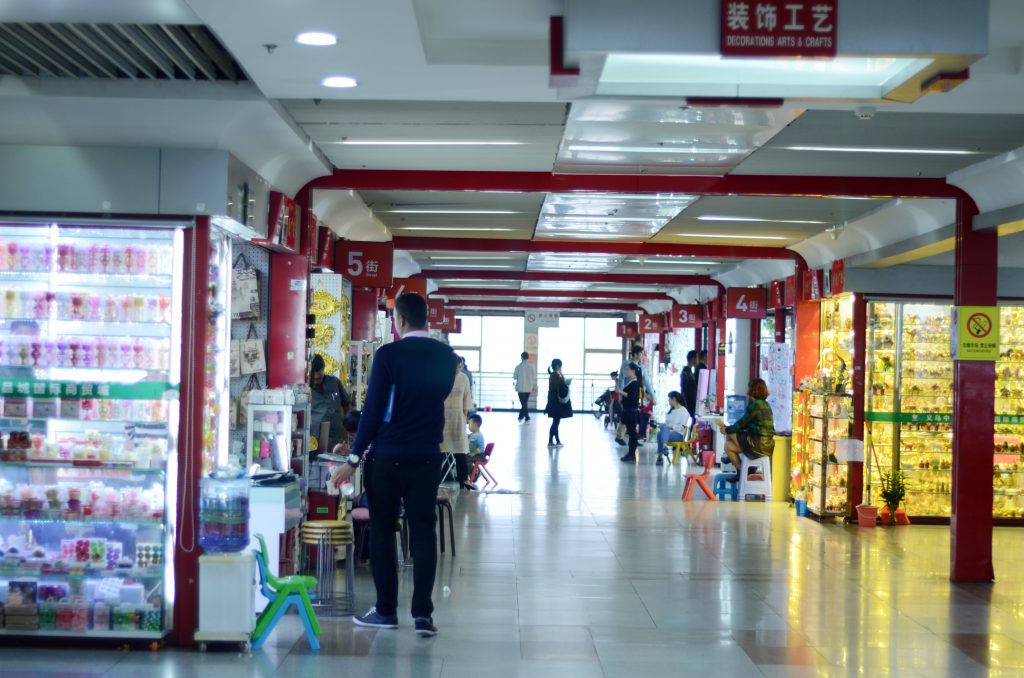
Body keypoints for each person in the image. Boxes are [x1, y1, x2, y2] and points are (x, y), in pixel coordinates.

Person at [329, 292, 457, 637]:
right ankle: (422, 615)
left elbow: (372, 411)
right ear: (425, 318)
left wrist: (354, 458)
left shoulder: (388, 355)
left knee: (384, 531)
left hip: (387, 457)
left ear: (399, 321)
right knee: (424, 532)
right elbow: (438, 397)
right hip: (427, 456)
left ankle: (386, 611)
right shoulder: (447, 357)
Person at [716, 378, 776, 475]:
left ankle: (737, 468)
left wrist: (726, 429)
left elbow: (741, 424)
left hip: (757, 443)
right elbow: (745, 425)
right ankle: (740, 472)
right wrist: (729, 428)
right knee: (728, 446)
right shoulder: (766, 405)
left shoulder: (755, 405)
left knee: (730, 432)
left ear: (752, 390)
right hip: (767, 446)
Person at [443, 356, 475, 491]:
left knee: (460, 450)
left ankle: (464, 479)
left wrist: (465, 416)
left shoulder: (463, 378)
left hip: (458, 416)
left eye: (460, 367)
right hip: (443, 417)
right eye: (456, 367)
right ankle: (433, 478)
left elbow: (467, 397)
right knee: (440, 449)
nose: (458, 369)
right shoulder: (442, 376)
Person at [309, 354, 351, 456]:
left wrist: (346, 427)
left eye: (319, 378)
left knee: (336, 468)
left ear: (323, 369)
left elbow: (346, 405)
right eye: (313, 379)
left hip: (336, 436)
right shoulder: (305, 389)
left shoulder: (334, 382)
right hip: (315, 440)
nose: (316, 382)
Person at [656, 391, 692, 466]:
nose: (668, 402)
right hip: (668, 434)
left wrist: (670, 426)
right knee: (660, 432)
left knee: (661, 433)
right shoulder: (671, 411)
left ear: (674, 399)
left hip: (679, 435)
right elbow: (667, 424)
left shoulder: (684, 411)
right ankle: (664, 448)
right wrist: (663, 425)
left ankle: (660, 455)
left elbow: (682, 427)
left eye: (669, 400)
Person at [544, 358, 572, 448]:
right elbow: (558, 388)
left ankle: (557, 441)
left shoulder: (554, 375)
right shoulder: (555, 376)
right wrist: (565, 383)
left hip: (554, 403)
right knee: (555, 422)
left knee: (556, 422)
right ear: (557, 366)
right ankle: (550, 442)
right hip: (555, 404)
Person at [618, 362, 643, 463]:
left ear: (632, 371)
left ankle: (631, 453)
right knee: (631, 433)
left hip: (631, 412)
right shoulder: (631, 382)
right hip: (628, 410)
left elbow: (631, 396)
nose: (626, 372)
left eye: (627, 369)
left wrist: (620, 392)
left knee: (632, 433)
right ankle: (630, 453)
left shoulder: (635, 383)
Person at [512, 352, 536, 422]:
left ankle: (526, 417)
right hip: (529, 388)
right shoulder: (531, 367)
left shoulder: (518, 367)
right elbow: (534, 377)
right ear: (528, 357)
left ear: (521, 357)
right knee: (524, 403)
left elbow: (515, 377)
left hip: (520, 388)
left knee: (523, 403)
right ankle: (521, 416)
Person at [680, 350, 698, 418]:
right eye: (696, 358)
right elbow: (684, 389)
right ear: (693, 359)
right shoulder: (686, 372)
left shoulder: (688, 372)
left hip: (690, 403)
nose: (697, 360)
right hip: (689, 403)